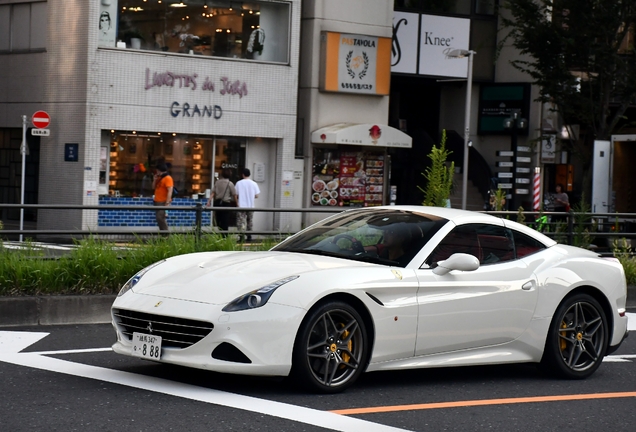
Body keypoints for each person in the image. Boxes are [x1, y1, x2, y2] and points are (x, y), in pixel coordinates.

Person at [207, 168, 237, 235]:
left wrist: (209, 201)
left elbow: (213, 193)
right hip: (226, 203)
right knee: (225, 220)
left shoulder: (217, 182)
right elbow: (234, 195)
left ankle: (220, 233)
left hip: (217, 202)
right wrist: (237, 203)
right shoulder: (230, 183)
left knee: (218, 219)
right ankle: (225, 235)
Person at [235, 168, 260, 241]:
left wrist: (237, 203)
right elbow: (257, 195)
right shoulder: (254, 183)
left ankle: (241, 236)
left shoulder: (239, 183)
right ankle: (249, 236)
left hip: (241, 206)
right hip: (250, 206)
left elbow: (235, 195)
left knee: (241, 221)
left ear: (242, 174)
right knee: (250, 221)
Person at [153, 162, 173, 232]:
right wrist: (155, 180)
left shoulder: (168, 178)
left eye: (157, 170)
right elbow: (153, 187)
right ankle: (163, 234)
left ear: (159, 170)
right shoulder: (159, 178)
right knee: (159, 218)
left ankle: (165, 235)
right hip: (157, 201)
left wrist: (167, 203)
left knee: (160, 218)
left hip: (163, 201)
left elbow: (170, 190)